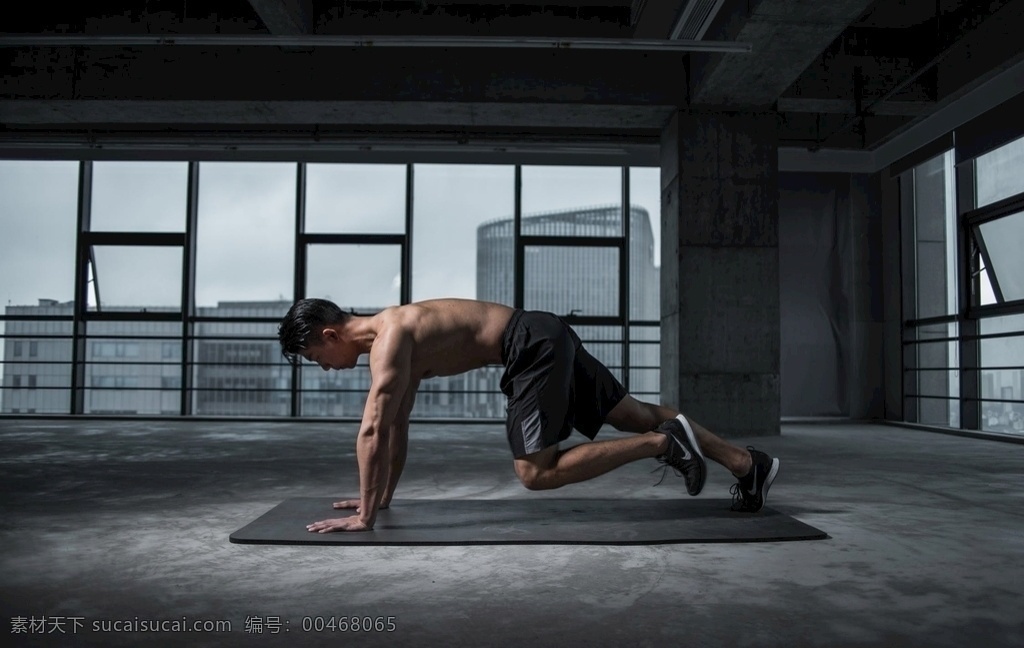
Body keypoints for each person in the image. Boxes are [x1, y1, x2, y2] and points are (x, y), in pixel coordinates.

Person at [278, 297, 780, 533]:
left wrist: (365, 518)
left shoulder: (389, 342)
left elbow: (371, 429)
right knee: (636, 413)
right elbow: (396, 424)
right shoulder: (394, 334)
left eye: (316, 359)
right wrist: (380, 499)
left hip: (529, 345)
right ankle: (745, 463)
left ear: (329, 335)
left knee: (536, 472)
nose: (324, 368)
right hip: (542, 331)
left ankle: (664, 445)